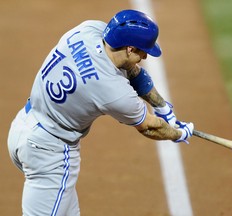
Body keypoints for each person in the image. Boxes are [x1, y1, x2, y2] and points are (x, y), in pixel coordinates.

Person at [7, 9, 194, 216]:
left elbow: (132, 71)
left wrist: (162, 107)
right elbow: (150, 127)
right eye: (142, 51)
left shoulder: (88, 30)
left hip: (23, 126)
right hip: (49, 152)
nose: (145, 56)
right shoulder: (113, 91)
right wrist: (179, 133)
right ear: (130, 48)